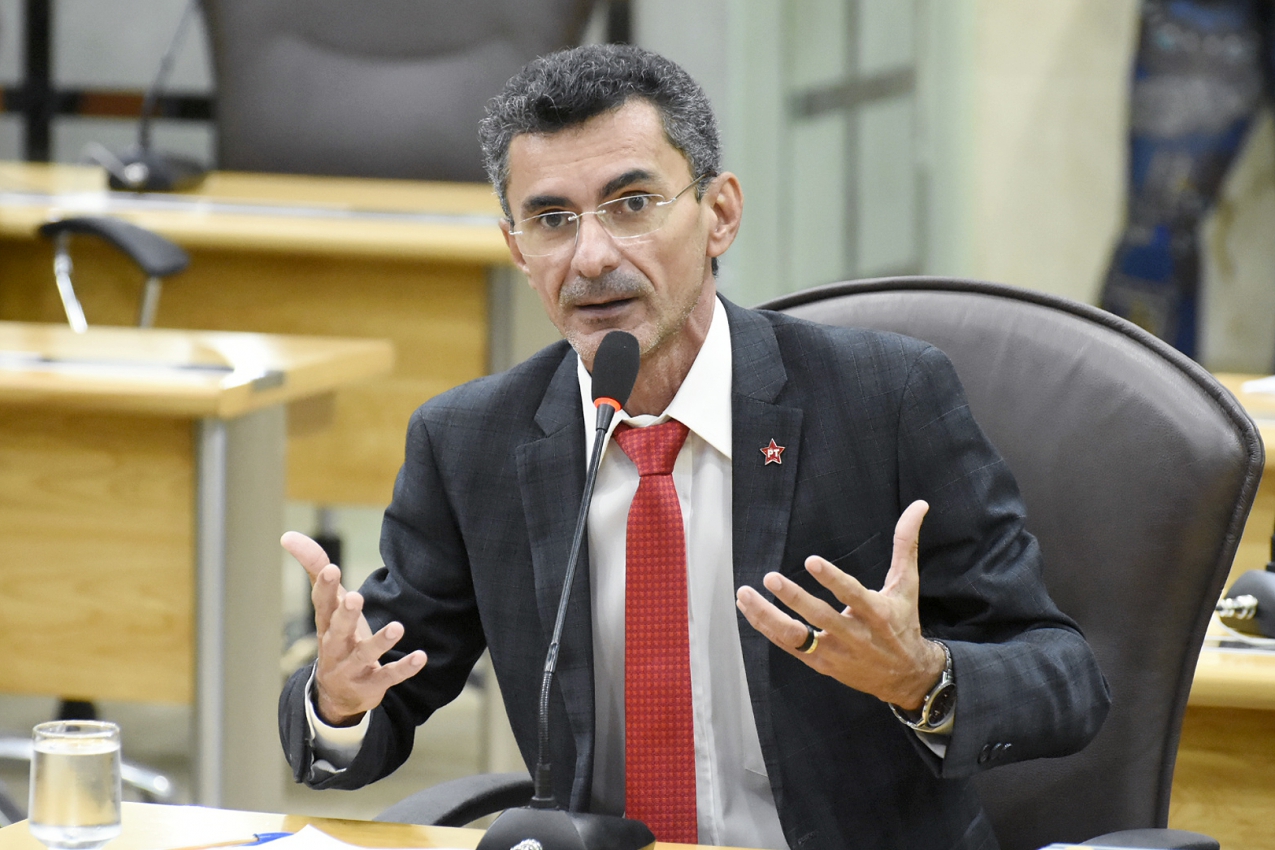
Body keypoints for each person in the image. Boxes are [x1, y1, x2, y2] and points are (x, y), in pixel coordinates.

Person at [278, 44, 1110, 850]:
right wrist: (338, 700)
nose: (591, 257)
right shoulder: (470, 442)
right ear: (517, 250)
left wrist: (920, 676)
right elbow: (375, 703)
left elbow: (1066, 680)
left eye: (632, 204)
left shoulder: (882, 400)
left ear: (719, 214)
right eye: (551, 220)